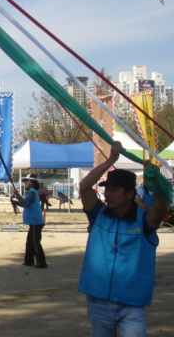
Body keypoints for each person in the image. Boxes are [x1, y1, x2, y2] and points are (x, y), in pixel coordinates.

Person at [78, 141, 167, 337]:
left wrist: (156, 181)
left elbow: (160, 211)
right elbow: (84, 187)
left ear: (129, 194)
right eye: (106, 189)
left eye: (113, 190)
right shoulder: (97, 214)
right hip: (98, 301)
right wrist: (111, 160)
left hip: (131, 304)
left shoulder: (144, 220)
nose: (107, 193)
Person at [11, 174, 47, 268]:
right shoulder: (31, 192)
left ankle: (41, 262)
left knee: (35, 242)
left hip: (36, 222)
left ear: (31, 182)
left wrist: (17, 195)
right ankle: (29, 261)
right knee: (29, 242)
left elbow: (25, 203)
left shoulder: (32, 192)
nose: (25, 183)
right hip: (34, 222)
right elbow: (26, 204)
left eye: (27, 181)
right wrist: (16, 202)